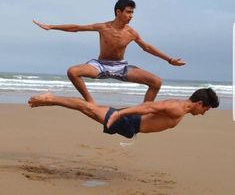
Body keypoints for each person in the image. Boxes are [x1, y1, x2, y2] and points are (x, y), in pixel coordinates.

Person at [33, 0, 185, 103]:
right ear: (118, 12)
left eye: (132, 13)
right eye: (128, 12)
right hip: (101, 65)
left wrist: (169, 60)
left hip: (121, 67)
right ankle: (91, 102)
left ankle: (144, 111)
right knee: (72, 71)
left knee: (156, 82)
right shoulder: (103, 27)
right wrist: (51, 26)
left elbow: (147, 47)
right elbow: (77, 28)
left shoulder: (131, 33)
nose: (131, 16)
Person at [28, 88, 219, 139]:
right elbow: (147, 108)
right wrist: (119, 115)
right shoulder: (177, 108)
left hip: (131, 125)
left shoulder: (180, 108)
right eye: (206, 109)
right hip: (129, 122)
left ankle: (50, 100)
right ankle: (49, 99)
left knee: (88, 108)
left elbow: (149, 104)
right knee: (87, 107)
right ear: (200, 103)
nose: (205, 113)